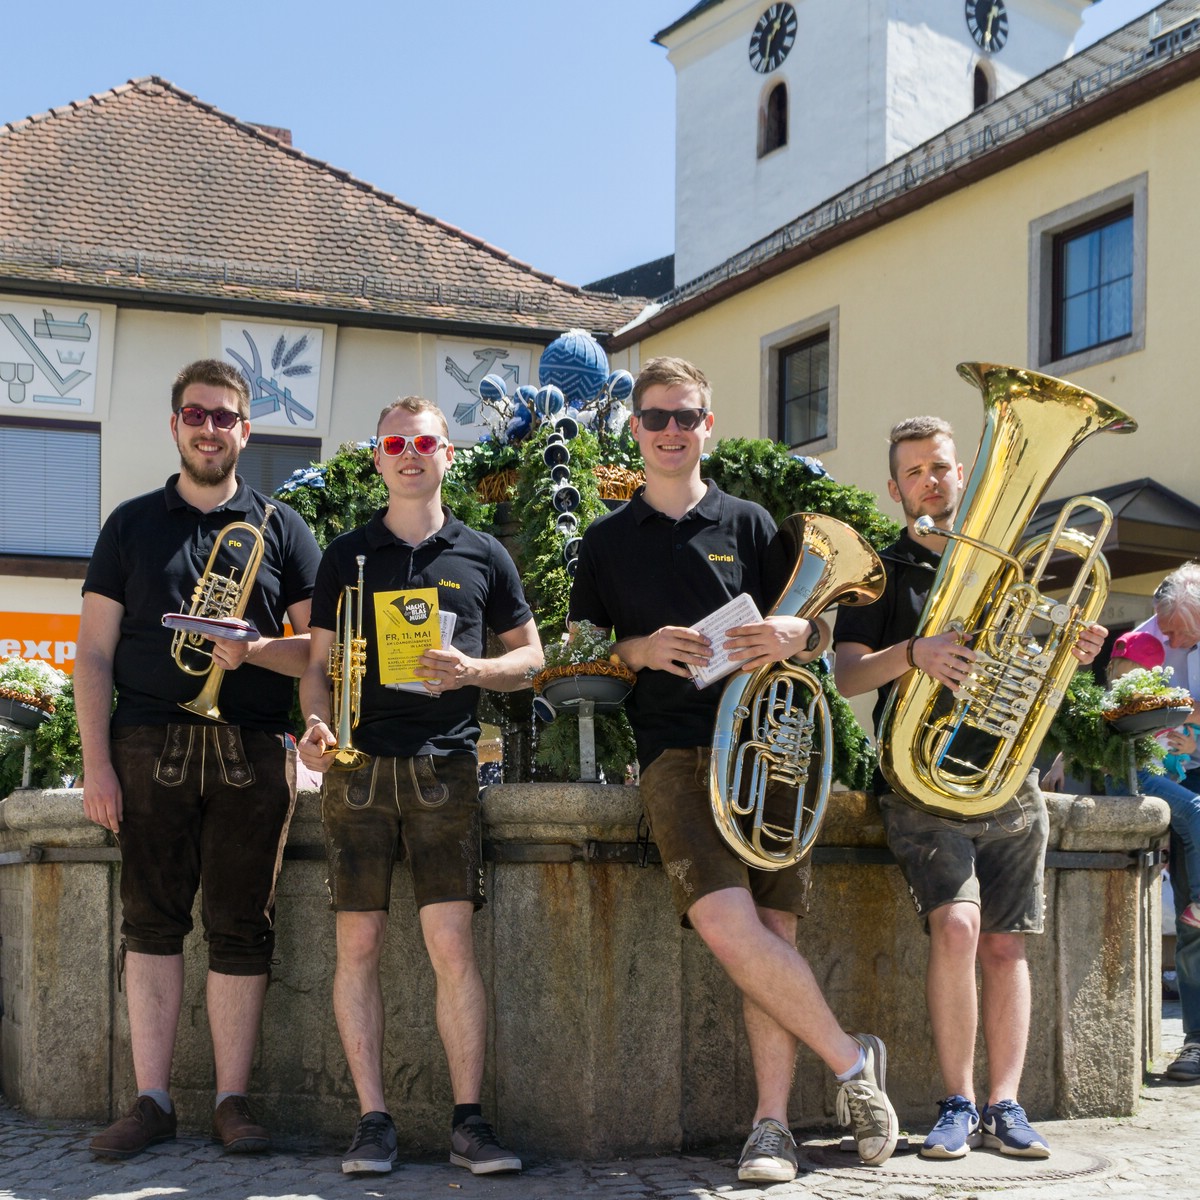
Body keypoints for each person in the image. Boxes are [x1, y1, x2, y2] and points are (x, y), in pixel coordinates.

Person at [568, 356, 899, 1185]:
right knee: (725, 922)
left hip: (771, 741)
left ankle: (772, 1127)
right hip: (675, 752)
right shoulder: (604, 542)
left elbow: (820, 632)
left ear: (708, 425)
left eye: (688, 417)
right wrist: (637, 649)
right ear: (634, 429)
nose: (672, 431)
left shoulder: (752, 524)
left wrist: (800, 636)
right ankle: (853, 1065)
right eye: (656, 418)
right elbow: (578, 650)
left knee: (774, 931)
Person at [834, 415, 1106, 1161]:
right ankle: (955, 1102)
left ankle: (1004, 1105)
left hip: (1005, 775)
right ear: (895, 487)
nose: (931, 480)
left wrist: (1074, 654)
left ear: (963, 476)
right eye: (916, 471)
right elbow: (848, 673)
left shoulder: (1007, 566)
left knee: (1006, 944)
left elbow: (1035, 665)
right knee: (956, 927)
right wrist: (916, 653)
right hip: (919, 776)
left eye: (943, 467)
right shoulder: (878, 573)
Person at [76, 358, 322, 1158]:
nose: (209, 427)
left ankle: (231, 1101)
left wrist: (257, 652)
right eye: (196, 414)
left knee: (242, 927)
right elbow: (93, 655)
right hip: (147, 742)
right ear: (175, 424)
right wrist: (97, 764)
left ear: (245, 431)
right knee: (148, 922)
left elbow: (318, 655)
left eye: (225, 416)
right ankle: (150, 1101)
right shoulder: (130, 524)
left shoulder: (283, 529)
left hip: (252, 746)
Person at [297, 395, 542, 1177]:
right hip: (357, 771)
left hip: (446, 766)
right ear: (377, 458)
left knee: (450, 947)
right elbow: (316, 665)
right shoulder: (344, 554)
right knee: (358, 946)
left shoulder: (484, 554)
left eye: (425, 441)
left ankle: (468, 1121)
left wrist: (474, 670)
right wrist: (313, 725)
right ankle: (374, 1121)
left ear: (448, 454)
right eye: (395, 442)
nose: (410, 453)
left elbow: (533, 658)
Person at [1107, 562, 1200, 1080]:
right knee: (1192, 915)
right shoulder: (1144, 641)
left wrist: (1179, 710)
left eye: (1178, 629)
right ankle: (1196, 1042)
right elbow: (1125, 713)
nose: (1168, 636)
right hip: (1170, 776)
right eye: (1164, 626)